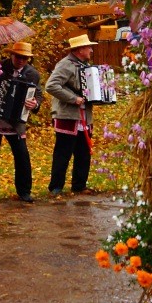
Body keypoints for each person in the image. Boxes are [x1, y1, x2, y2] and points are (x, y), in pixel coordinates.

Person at [0, 41, 42, 202]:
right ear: (11, 55)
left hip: (16, 122)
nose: (21, 60)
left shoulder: (32, 74)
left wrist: (35, 103)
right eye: (18, 57)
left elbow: (38, 94)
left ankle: (24, 191)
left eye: (25, 58)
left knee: (21, 155)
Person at [46, 34, 99, 197]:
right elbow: (51, 86)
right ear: (80, 49)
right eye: (88, 47)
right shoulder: (65, 65)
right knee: (63, 152)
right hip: (68, 116)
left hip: (84, 116)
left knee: (83, 153)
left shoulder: (86, 66)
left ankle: (79, 185)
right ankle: (56, 187)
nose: (91, 50)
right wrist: (73, 98)